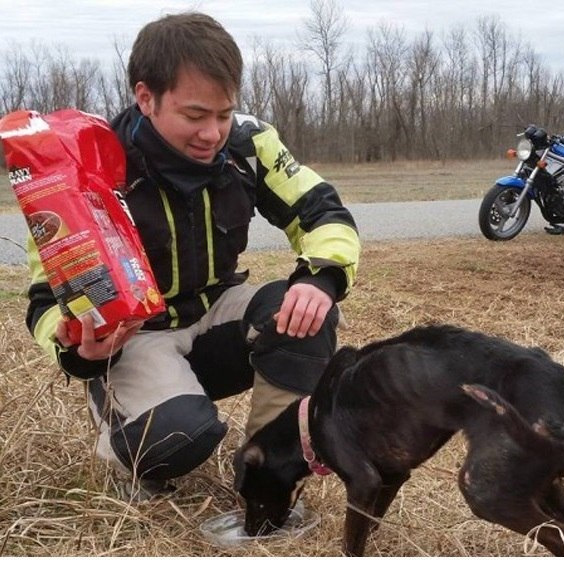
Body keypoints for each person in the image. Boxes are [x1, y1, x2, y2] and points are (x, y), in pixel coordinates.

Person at [25, 12, 360, 499]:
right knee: (178, 438)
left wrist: (321, 278)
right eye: (195, 116)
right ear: (146, 98)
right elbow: (42, 299)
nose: (213, 134)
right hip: (136, 336)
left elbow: (322, 211)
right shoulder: (85, 169)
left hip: (213, 312)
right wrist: (76, 350)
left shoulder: (249, 144)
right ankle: (135, 437)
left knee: (304, 316)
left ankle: (267, 474)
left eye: (223, 114)